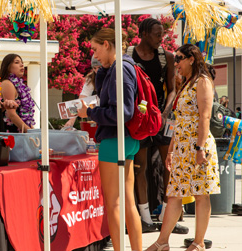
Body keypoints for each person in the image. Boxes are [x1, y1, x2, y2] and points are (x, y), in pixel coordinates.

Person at [146, 44, 220, 251]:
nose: (176, 63)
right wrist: (170, 150)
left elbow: (204, 117)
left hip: (197, 146)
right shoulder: (187, 83)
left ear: (191, 59)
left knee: (200, 194)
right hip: (181, 146)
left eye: (179, 58)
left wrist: (199, 148)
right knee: (174, 195)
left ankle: (198, 243)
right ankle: (162, 242)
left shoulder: (203, 81)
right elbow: (178, 122)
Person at [78, 28, 142, 251]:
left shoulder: (121, 69)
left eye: (96, 49)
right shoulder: (122, 66)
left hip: (115, 139)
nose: (94, 55)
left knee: (114, 203)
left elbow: (120, 113)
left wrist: (90, 114)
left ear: (107, 44)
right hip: (127, 139)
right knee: (127, 202)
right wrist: (104, 69)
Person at [127, 17, 186, 233]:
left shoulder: (167, 57)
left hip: (163, 116)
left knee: (168, 164)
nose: (161, 37)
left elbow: (172, 89)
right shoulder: (129, 55)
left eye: (162, 33)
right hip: (140, 118)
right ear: (143, 33)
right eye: (156, 33)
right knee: (140, 166)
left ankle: (167, 215)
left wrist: (164, 113)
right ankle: (144, 217)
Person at [0, 54, 35, 133]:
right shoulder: (7, 83)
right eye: (17, 62)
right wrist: (31, 133)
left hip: (21, 130)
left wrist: (33, 130)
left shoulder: (20, 85)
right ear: (8, 67)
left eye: (22, 62)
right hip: (11, 133)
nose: (22, 65)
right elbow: (11, 114)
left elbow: (25, 117)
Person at [64, 55, 101, 128]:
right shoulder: (91, 79)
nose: (97, 70)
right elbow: (81, 99)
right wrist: (72, 119)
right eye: (94, 68)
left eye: (99, 67)